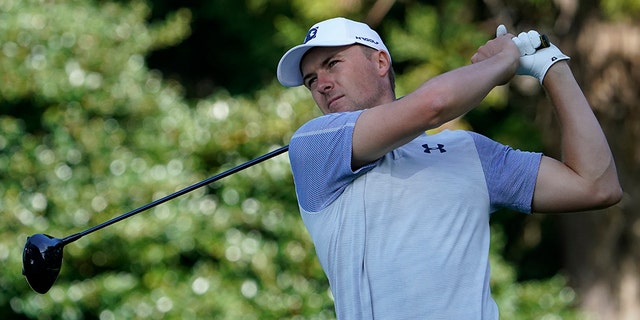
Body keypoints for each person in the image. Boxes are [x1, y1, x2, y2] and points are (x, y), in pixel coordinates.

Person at [276, 17, 622, 319]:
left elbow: (596, 186)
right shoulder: (315, 145)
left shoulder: (468, 151)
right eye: (310, 79)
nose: (320, 84)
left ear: (381, 61)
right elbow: (434, 105)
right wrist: (502, 62)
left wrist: (552, 67)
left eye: (333, 63)